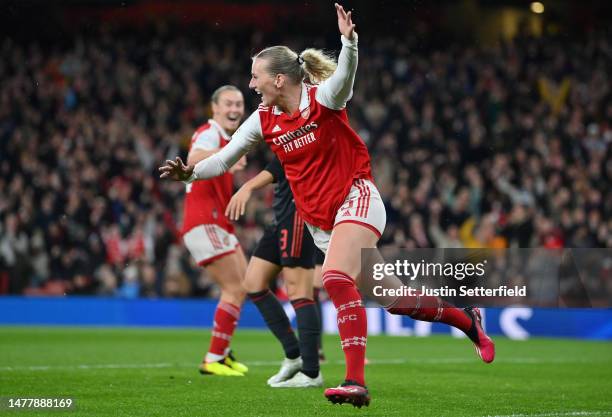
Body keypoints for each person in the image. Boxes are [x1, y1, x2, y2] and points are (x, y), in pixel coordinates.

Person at [160, 3, 495, 407]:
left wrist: (348, 41)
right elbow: (225, 158)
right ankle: (467, 320)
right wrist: (190, 174)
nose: (251, 85)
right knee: (396, 300)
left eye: (255, 76)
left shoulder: (324, 98)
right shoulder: (263, 119)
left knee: (335, 278)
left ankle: (355, 381)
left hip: (357, 198)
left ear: (279, 79)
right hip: (321, 223)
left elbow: (346, 75)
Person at [226, 155, 321, 387]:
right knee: (253, 283)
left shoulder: (305, 131)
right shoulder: (286, 134)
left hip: (299, 217)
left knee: (299, 291)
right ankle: (294, 354)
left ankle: (311, 372)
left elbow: (281, 165)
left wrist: (248, 186)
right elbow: (278, 165)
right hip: (280, 218)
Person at [181, 85, 249, 376]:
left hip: (217, 222)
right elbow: (194, 158)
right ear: (215, 108)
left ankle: (222, 352)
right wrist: (229, 152)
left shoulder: (224, 138)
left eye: (239, 104)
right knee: (234, 288)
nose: (234, 109)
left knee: (243, 285)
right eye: (228, 104)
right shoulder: (209, 133)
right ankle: (213, 358)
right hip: (203, 221)